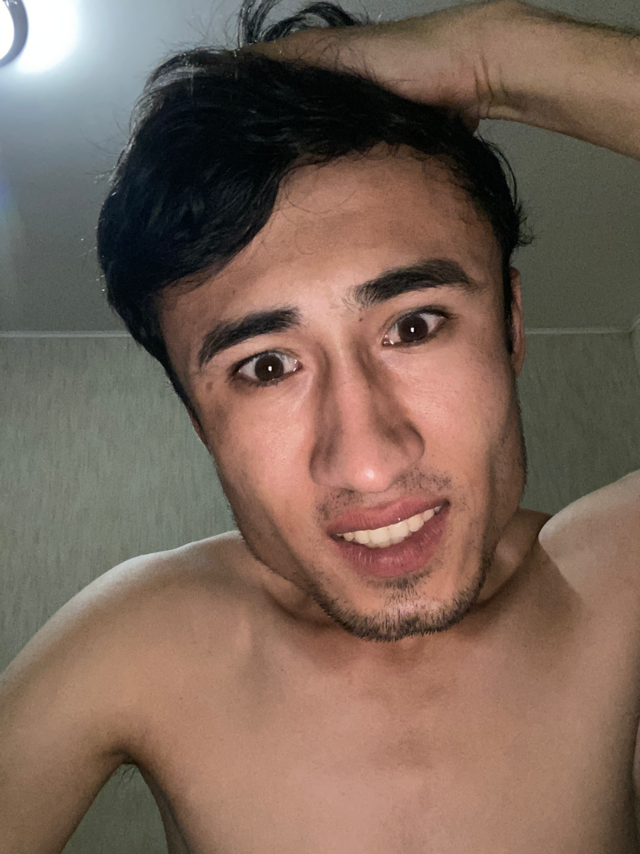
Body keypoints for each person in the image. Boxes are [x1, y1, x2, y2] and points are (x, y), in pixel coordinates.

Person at [1, 0, 639, 851]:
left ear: (511, 326)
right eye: (266, 367)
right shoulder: (142, 642)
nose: (368, 464)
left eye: (414, 325)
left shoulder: (619, 582)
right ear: (196, 416)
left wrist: (491, 56)